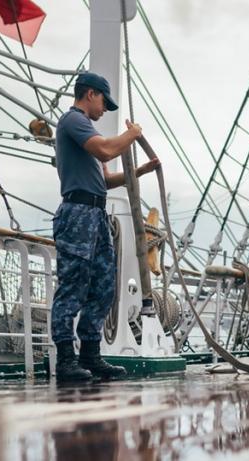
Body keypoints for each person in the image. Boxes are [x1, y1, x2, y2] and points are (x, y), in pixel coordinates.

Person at [51, 72, 160, 382]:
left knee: (103, 287)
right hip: (77, 213)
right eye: (103, 102)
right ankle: (66, 360)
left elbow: (108, 179)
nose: (104, 109)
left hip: (97, 215)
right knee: (73, 285)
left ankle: (90, 355)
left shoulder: (87, 130)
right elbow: (106, 150)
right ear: (90, 94)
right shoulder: (73, 121)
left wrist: (141, 171)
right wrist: (133, 134)